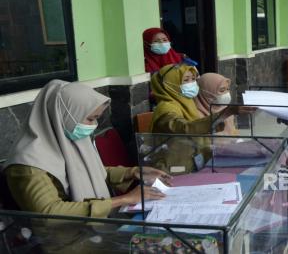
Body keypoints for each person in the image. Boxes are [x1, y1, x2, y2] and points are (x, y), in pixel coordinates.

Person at [2, 80, 172, 218]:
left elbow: (88, 171)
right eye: (90, 119)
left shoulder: (68, 139)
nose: (94, 125)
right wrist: (123, 200)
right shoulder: (27, 165)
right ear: (63, 116)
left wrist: (134, 172)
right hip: (63, 241)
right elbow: (49, 214)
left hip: (93, 229)